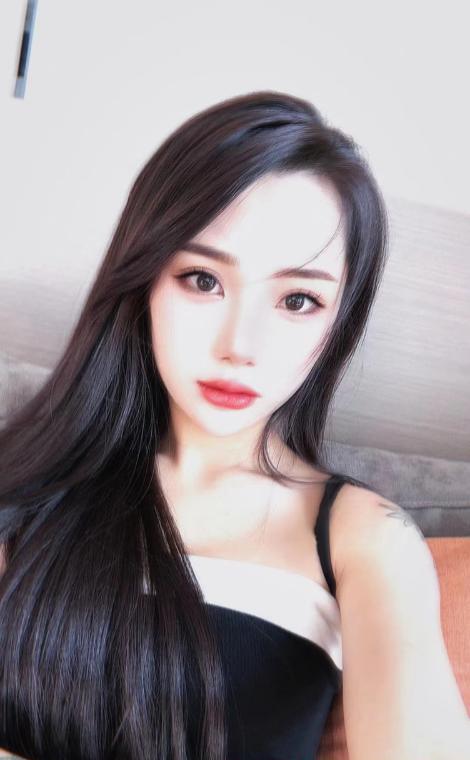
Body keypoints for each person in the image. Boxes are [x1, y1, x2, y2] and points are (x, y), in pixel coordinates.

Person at [3, 90, 463, 760]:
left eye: (298, 300)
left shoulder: (363, 536)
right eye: (202, 280)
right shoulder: (30, 483)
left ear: (337, 327)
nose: (239, 346)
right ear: (144, 282)